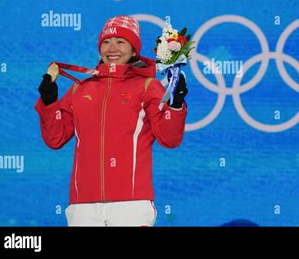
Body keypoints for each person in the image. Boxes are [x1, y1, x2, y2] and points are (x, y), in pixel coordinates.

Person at [35, 15, 188, 226]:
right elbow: (55, 138)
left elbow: (169, 138)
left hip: (131, 204)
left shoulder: (147, 86)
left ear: (134, 50)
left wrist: (176, 104)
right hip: (83, 205)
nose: (112, 48)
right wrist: (49, 101)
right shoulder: (80, 88)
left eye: (121, 42)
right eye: (106, 42)